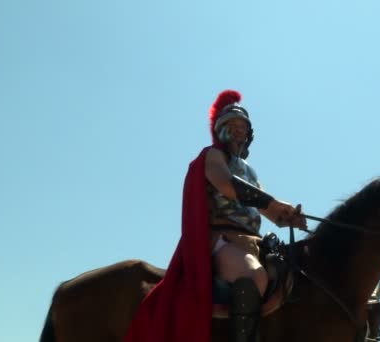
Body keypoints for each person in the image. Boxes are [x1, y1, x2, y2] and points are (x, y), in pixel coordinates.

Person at [124, 90, 306, 342]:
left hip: (253, 241)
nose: (238, 129)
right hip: (222, 239)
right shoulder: (213, 156)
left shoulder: (250, 170)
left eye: (242, 125)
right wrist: (275, 204)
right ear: (219, 130)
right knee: (253, 276)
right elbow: (228, 186)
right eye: (231, 125)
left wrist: (287, 217)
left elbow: (262, 207)